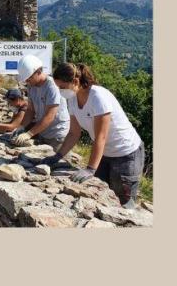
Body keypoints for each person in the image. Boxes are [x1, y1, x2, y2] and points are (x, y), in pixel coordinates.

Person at [45, 63, 145, 208]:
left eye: (62, 87)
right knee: (101, 196)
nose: (60, 91)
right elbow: (74, 133)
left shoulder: (98, 96)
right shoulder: (72, 99)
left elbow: (101, 137)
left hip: (126, 153)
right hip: (105, 153)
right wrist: (57, 156)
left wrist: (90, 168)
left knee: (124, 202)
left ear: (76, 82)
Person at [11, 54, 70, 150]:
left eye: (29, 78)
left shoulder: (52, 86)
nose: (27, 81)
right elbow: (30, 110)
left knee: (56, 162)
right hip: (43, 131)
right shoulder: (31, 86)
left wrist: (29, 134)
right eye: (26, 79)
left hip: (57, 134)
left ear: (38, 71)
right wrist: (21, 127)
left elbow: (50, 116)